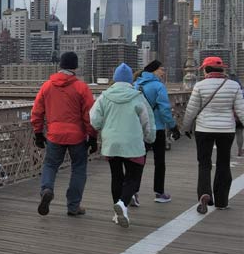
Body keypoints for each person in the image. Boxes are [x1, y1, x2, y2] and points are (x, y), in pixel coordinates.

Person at [31, 51, 97, 217]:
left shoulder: (47, 86)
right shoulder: (82, 87)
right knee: (78, 169)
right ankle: (73, 206)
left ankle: (47, 189)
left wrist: (38, 132)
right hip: (77, 136)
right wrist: (93, 136)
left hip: (55, 134)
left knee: (50, 165)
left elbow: (37, 111)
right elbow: (90, 114)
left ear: (60, 65)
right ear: (75, 67)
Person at [90, 63, 156, 228]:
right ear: (129, 81)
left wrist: (102, 128)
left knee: (116, 177)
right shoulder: (137, 96)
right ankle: (122, 204)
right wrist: (149, 139)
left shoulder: (104, 96)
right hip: (133, 144)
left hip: (111, 143)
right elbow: (147, 122)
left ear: (115, 79)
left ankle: (117, 212)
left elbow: (94, 119)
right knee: (132, 178)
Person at [182, 57, 244, 213]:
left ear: (206, 70)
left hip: (204, 129)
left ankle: (204, 193)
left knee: (204, 163)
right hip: (226, 130)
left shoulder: (200, 86)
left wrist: (186, 128)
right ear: (222, 69)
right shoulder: (233, 85)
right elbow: (241, 110)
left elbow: (191, 110)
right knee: (223, 163)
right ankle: (222, 201)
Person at [133, 60, 181, 204]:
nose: (163, 72)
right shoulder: (159, 86)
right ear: (154, 71)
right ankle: (159, 193)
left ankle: (133, 192)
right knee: (159, 162)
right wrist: (173, 126)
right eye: (162, 69)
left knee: (139, 161)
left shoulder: (137, 85)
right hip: (157, 128)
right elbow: (165, 109)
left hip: (140, 128)